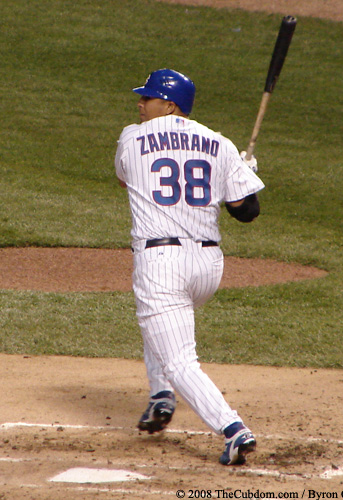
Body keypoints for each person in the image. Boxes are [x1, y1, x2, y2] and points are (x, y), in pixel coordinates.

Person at [115, 69, 265, 465]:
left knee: (180, 356)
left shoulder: (131, 137)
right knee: (160, 324)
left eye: (147, 99)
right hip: (207, 268)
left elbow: (125, 178)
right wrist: (245, 173)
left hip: (162, 263)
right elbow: (247, 211)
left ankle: (234, 430)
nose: (140, 104)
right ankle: (161, 395)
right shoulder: (219, 143)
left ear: (170, 105)